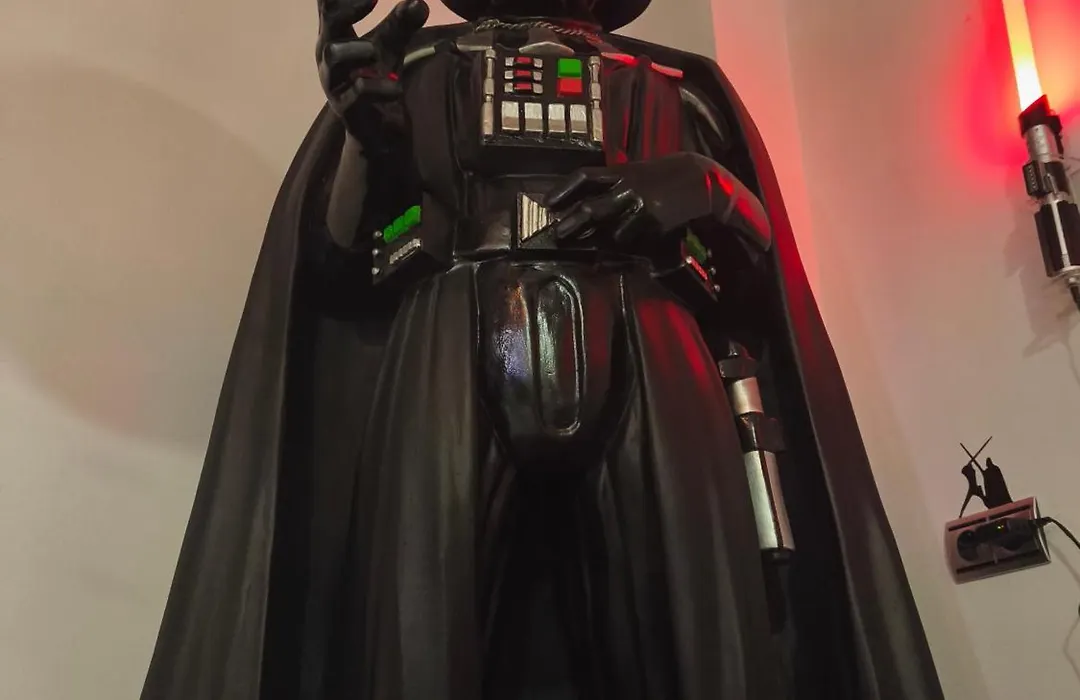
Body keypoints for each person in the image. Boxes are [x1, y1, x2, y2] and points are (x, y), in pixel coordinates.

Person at [139, 1, 946, 698]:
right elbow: (338, 264)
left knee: (696, 634)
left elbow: (760, 291)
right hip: (451, 329)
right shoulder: (412, 67)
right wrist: (366, 142)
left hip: (652, 339)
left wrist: (706, 186)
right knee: (418, 637)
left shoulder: (680, 86)